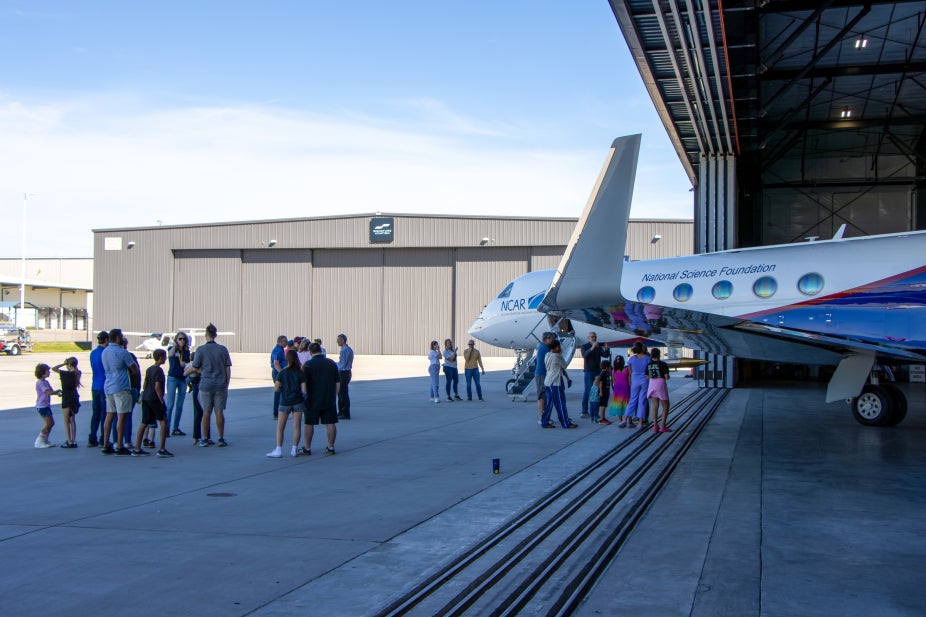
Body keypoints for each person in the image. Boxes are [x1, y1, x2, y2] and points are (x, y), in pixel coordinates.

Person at [187, 323, 232, 447]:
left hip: (206, 385)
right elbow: (228, 368)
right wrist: (226, 383)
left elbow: (195, 366)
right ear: (215, 335)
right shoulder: (223, 349)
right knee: (219, 412)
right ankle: (221, 438)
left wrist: (185, 373)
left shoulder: (200, 350)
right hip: (220, 385)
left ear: (206, 335)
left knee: (206, 412)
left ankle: (205, 438)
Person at [100, 328, 138, 456]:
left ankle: (106, 443)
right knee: (122, 416)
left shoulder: (104, 352)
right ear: (117, 338)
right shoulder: (122, 352)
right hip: (121, 386)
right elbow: (134, 369)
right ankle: (120, 445)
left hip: (108, 385)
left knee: (109, 415)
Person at [133, 349, 172, 457]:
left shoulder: (149, 369)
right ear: (161, 358)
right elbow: (157, 386)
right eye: (165, 357)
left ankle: (137, 448)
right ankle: (162, 449)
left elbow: (145, 385)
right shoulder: (159, 371)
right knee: (163, 421)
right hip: (155, 398)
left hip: (146, 397)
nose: (165, 359)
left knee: (144, 422)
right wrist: (161, 400)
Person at [302, 342, 339, 455]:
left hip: (312, 399)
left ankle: (307, 448)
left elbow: (303, 383)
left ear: (310, 352)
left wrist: (304, 395)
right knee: (330, 423)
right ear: (320, 350)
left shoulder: (307, 365)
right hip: (328, 398)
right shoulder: (331, 363)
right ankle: (331, 447)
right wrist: (334, 395)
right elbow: (337, 382)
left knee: (309, 423)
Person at [542, 339, 577, 429]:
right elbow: (565, 365)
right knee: (560, 403)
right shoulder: (557, 356)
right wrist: (561, 354)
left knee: (549, 403)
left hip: (548, 381)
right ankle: (565, 423)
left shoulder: (547, 354)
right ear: (557, 347)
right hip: (555, 383)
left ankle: (544, 421)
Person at [51, 357, 81, 448]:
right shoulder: (78, 373)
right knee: (72, 420)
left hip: (66, 397)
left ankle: (69, 441)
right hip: (74, 396)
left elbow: (54, 368)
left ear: (69, 364)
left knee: (66, 420)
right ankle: (74, 440)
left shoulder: (64, 374)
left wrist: (63, 363)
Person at [165, 332, 191, 436]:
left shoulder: (186, 351)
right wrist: (175, 346)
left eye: (184, 339)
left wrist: (185, 364)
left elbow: (189, 363)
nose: (182, 341)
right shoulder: (172, 349)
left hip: (182, 378)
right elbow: (170, 354)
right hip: (173, 378)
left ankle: (175, 428)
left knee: (179, 405)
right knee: (170, 405)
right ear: (176, 340)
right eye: (180, 339)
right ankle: (166, 428)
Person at [580, 332, 611, 418]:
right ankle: (585, 411)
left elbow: (605, 355)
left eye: (595, 337)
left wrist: (606, 348)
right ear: (588, 338)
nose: (594, 338)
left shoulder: (598, 347)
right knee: (588, 391)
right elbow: (584, 355)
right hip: (589, 371)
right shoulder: (585, 346)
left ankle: (593, 412)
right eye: (592, 337)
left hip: (597, 371)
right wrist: (592, 347)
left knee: (596, 391)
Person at [621, 341, 650, 429]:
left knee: (632, 400)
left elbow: (630, 371)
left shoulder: (632, 359)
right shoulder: (647, 358)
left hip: (635, 380)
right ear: (642, 348)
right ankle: (640, 423)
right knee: (642, 401)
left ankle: (625, 419)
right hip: (644, 380)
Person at [87, 330, 108, 447]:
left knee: (95, 413)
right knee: (104, 413)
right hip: (104, 385)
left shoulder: (93, 353)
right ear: (106, 340)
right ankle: (103, 438)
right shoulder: (105, 353)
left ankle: (92, 437)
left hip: (95, 385)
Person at [34, 363, 59, 448]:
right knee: (48, 423)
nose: (49, 372)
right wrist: (56, 392)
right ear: (42, 373)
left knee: (51, 423)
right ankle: (39, 441)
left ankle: (45, 439)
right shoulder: (40, 383)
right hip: (42, 406)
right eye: (47, 371)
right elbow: (48, 392)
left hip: (46, 405)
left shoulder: (46, 382)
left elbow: (51, 391)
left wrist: (57, 393)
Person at [647, 347, 672, 433]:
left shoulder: (649, 365)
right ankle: (663, 426)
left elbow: (647, 376)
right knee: (666, 405)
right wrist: (668, 376)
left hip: (652, 384)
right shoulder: (663, 364)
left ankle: (655, 426)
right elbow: (666, 377)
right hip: (660, 384)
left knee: (655, 405)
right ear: (659, 355)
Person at [534, 332, 555, 423]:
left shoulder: (544, 347)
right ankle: (542, 417)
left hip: (544, 374)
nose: (553, 341)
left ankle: (545, 416)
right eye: (552, 339)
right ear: (546, 339)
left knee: (545, 396)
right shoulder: (544, 348)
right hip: (542, 374)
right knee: (542, 396)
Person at [609, 355, 631, 425]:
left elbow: (613, 380)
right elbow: (629, 380)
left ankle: (620, 420)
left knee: (618, 403)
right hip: (626, 387)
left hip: (617, 388)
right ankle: (628, 420)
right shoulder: (626, 370)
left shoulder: (613, 371)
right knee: (627, 403)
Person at [336, 334, 353, 420]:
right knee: (341, 393)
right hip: (346, 372)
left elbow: (342, 365)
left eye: (338, 340)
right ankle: (341, 412)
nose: (337, 342)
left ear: (343, 340)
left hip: (343, 373)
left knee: (343, 394)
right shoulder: (348, 349)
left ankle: (345, 413)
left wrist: (334, 364)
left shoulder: (344, 351)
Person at [271, 335, 287, 421]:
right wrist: (281, 373)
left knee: (280, 393)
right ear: (281, 342)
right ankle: (276, 413)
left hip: (279, 372)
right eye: (285, 341)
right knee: (278, 392)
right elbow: (276, 363)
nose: (286, 343)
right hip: (278, 373)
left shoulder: (281, 349)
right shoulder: (277, 350)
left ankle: (279, 412)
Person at [591, 360, 613, 424]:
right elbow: (600, 382)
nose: (610, 368)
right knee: (603, 405)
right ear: (606, 368)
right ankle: (602, 418)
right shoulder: (603, 373)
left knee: (604, 405)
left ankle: (603, 417)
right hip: (603, 391)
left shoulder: (606, 373)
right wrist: (600, 391)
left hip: (606, 391)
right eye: (609, 367)